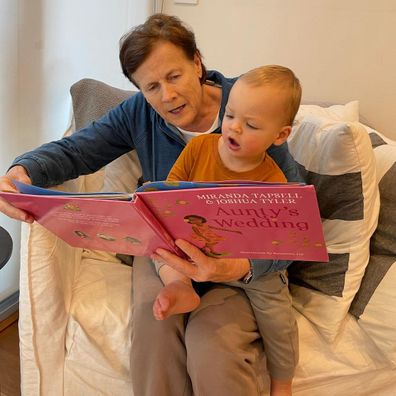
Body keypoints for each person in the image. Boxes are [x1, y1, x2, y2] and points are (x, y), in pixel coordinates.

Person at [0, 14, 302, 396]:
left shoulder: (250, 111)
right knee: (155, 325)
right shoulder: (140, 113)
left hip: (234, 260)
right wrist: (23, 169)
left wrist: (235, 268)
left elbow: (293, 223)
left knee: (214, 348)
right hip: (165, 247)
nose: (167, 96)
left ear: (197, 63)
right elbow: (77, 149)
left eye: (174, 77)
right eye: (152, 86)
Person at [152, 65, 300, 395]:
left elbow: (277, 244)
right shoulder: (198, 149)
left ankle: (283, 382)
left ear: (280, 136)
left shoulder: (275, 180)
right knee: (158, 250)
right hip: (194, 246)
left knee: (277, 311)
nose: (234, 128)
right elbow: (168, 195)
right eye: (230, 115)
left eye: (251, 125)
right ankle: (180, 289)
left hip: (244, 264)